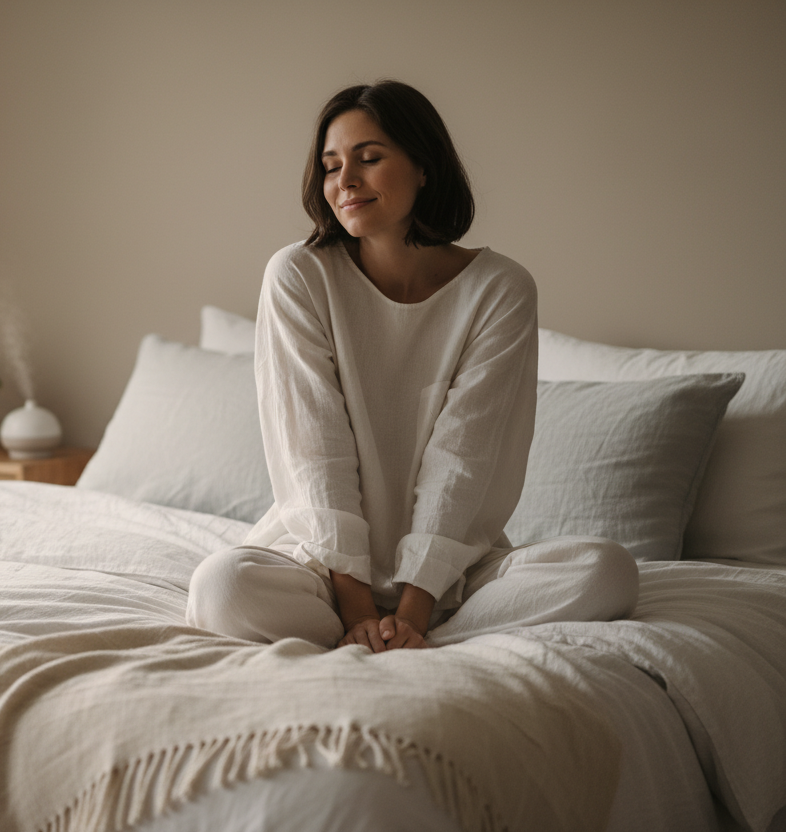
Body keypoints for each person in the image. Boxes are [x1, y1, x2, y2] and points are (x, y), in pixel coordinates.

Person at [186, 81, 637, 651]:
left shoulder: (499, 289)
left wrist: (416, 608)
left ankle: (413, 635)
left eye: (369, 159)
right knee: (221, 588)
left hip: (451, 574)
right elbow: (315, 451)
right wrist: (354, 608)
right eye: (331, 166)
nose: (345, 181)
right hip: (323, 567)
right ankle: (371, 634)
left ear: (424, 167)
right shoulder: (298, 275)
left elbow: (466, 459)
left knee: (608, 572)